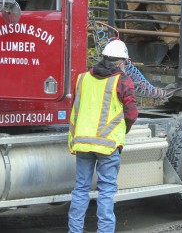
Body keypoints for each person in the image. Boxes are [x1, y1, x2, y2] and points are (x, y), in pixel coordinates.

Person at [68, 39, 138, 233]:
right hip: (107, 145)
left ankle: (74, 231)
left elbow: (74, 110)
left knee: (81, 189)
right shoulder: (123, 81)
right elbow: (131, 114)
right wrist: (122, 131)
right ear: (122, 62)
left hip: (82, 142)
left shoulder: (82, 79)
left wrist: (72, 139)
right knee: (106, 191)